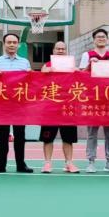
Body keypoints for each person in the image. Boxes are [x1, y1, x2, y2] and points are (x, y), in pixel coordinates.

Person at [0, 33, 34, 173]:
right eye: (9, 42)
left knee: (20, 135)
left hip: (19, 104)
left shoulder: (25, 62)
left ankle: (21, 164)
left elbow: (30, 82)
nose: (12, 45)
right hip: (2, 103)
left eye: (14, 42)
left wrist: (30, 74)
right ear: (4, 44)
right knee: (3, 135)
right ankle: (0, 164)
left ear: (18, 45)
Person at [79, 28, 109, 173]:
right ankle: (91, 161)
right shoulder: (87, 55)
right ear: (94, 39)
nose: (101, 39)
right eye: (98, 37)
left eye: (103, 36)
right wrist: (89, 65)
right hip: (93, 98)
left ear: (107, 39)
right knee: (92, 133)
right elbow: (80, 75)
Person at [39, 41, 80, 173]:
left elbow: (82, 80)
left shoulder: (72, 66)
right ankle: (47, 163)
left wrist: (78, 72)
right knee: (48, 138)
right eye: (58, 49)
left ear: (66, 51)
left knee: (68, 139)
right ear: (53, 50)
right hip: (50, 109)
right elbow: (38, 81)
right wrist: (44, 72)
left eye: (63, 49)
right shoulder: (47, 65)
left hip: (68, 108)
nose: (61, 51)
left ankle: (69, 163)